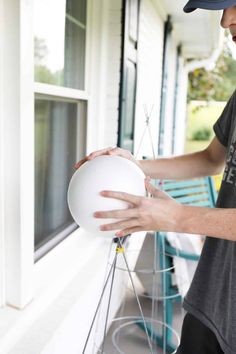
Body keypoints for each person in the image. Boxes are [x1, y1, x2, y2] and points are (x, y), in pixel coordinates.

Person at [76, 1, 236, 353]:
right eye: (222, 8)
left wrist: (176, 216)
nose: (226, 20)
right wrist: (136, 166)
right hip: (212, 300)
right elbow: (211, 159)